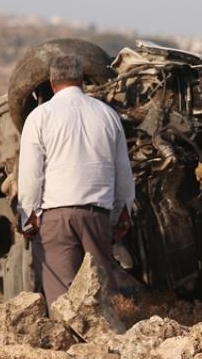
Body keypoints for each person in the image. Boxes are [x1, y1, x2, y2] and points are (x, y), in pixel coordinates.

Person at [17, 55, 135, 305]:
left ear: (52, 83)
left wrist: (29, 215)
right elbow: (122, 170)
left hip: (56, 218)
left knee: (62, 299)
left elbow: (30, 174)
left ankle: (66, 331)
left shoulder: (40, 116)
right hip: (98, 216)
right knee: (101, 294)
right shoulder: (107, 114)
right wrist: (123, 211)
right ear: (81, 80)